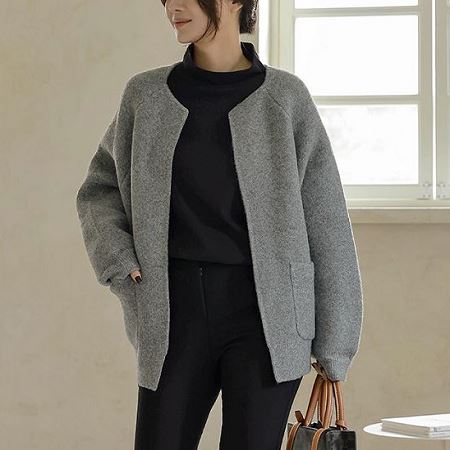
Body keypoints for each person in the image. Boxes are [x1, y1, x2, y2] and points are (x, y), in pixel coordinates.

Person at [75, 0, 364, 448]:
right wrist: (119, 261)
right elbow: (99, 189)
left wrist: (335, 345)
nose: (173, 6)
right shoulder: (145, 96)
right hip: (173, 312)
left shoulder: (285, 98)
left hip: (268, 318)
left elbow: (326, 221)